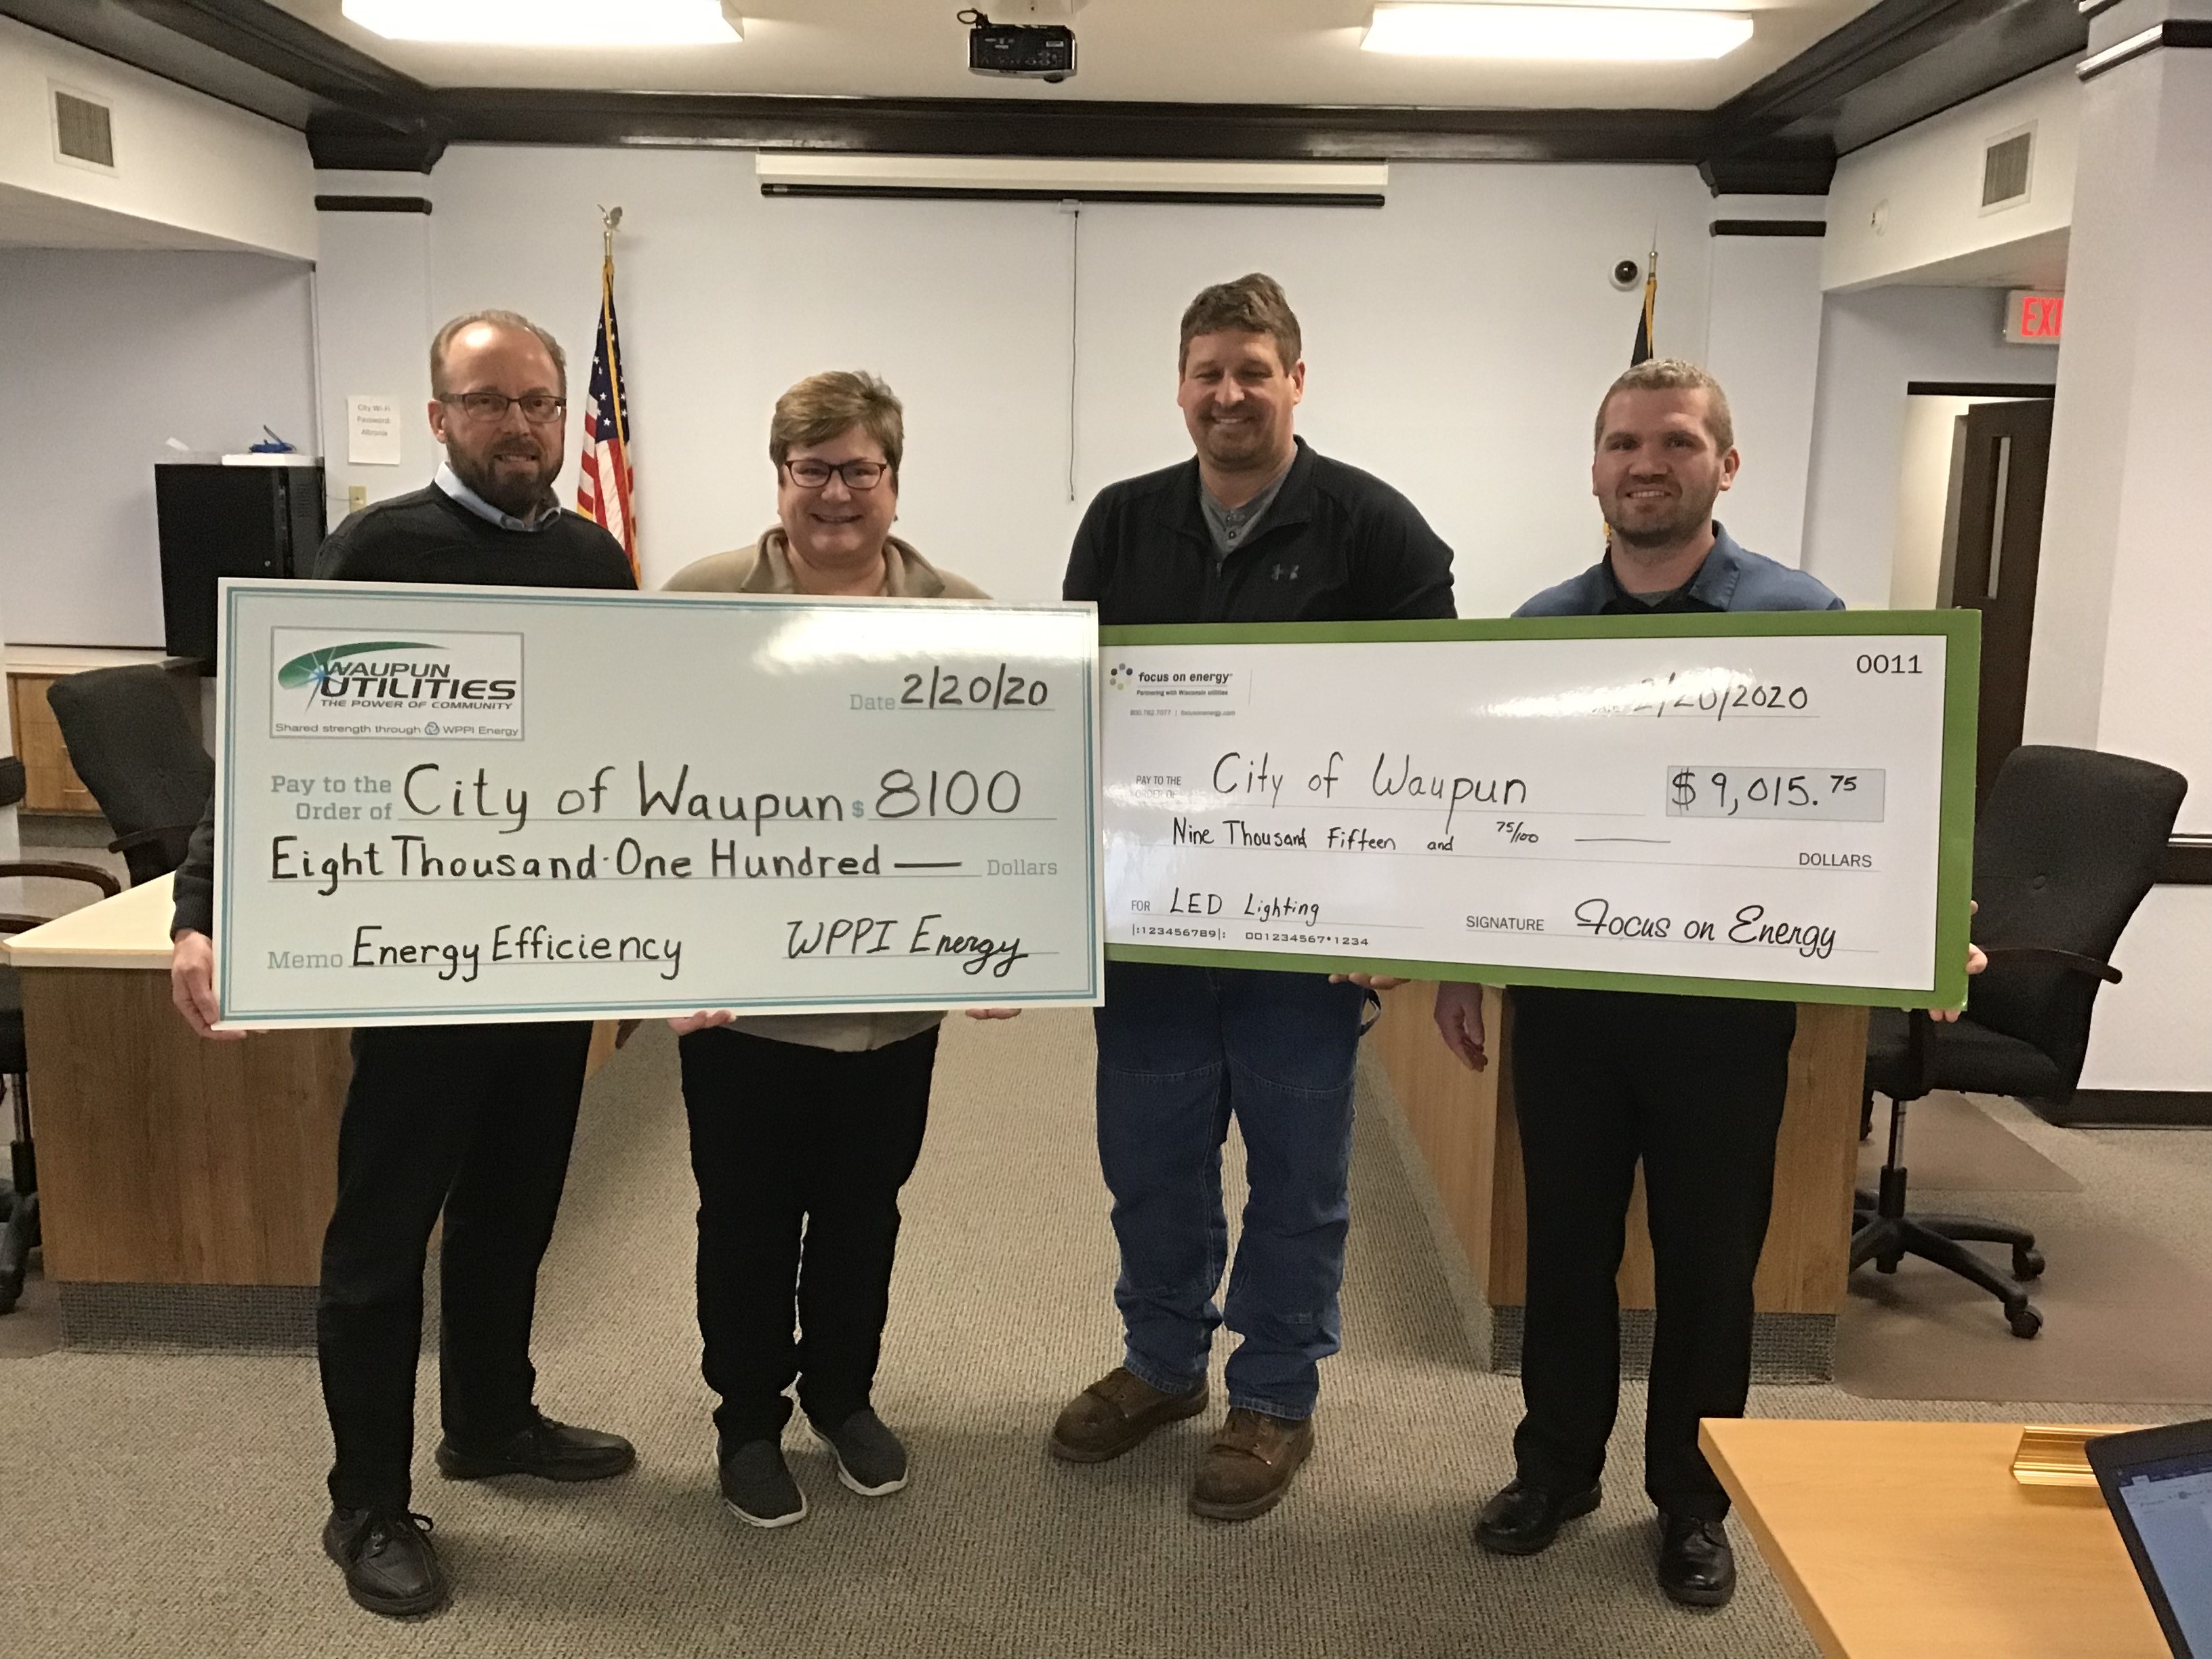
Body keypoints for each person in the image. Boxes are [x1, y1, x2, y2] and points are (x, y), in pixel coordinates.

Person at [1435, 356, 1984, 1610]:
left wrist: (1932, 919)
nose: (1647, 464)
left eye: (1676, 442)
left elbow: (1877, 797)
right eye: (1624, 443)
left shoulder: (1808, 622)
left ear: (1723, 465)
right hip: (1570, 1011)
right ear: (1594, 468)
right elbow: (1486, 819)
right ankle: (1557, 1467)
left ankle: (1692, 1500)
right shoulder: (1540, 631)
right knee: (1565, 1251)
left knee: (1707, 1263)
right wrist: (1461, 959)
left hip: (1721, 1020)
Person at [169, 310, 637, 1620]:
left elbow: (641, 754)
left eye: (541, 403)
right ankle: (365, 1501)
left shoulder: (598, 562)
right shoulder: (377, 549)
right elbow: (269, 736)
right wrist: (201, 908)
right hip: (418, 966)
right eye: (490, 404)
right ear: (439, 417)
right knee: (384, 1238)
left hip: (546, 960)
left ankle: (491, 1421)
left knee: (514, 1210)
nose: (523, 426)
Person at [1054, 274, 1454, 1521]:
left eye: (1254, 369)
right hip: (1154, 926)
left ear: (1296, 379)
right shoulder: (1121, 523)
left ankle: (1275, 1395)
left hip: (1305, 942)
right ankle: (1164, 1364)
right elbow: (1071, 715)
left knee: (1298, 1178)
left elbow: (1429, 735)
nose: (1230, 393)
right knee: (1153, 1163)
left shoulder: (1375, 527)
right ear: (1181, 386)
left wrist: (1396, 915)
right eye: (1208, 370)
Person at [662, 370, 1015, 1529]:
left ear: (894, 484)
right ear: (780, 481)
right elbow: (639, 790)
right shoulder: (699, 602)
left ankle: (844, 1394)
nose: (836, 494)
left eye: (859, 470)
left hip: (890, 1000)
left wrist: (1005, 944)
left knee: (866, 1207)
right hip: (742, 1001)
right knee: (748, 1213)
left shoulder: (969, 620)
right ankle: (748, 1417)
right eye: (812, 470)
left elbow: (1001, 811)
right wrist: (654, 955)